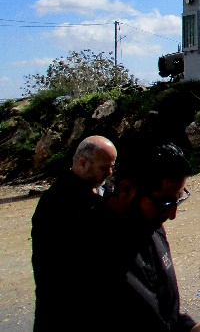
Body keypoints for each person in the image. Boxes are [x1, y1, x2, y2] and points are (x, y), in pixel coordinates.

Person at [90, 142, 200, 332]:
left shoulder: (151, 226)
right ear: (126, 190)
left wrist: (190, 328)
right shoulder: (89, 247)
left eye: (178, 201)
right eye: (165, 203)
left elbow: (163, 314)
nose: (172, 215)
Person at [31, 135, 117, 331]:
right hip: (65, 313)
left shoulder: (104, 190)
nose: (110, 173)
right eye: (104, 167)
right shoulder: (56, 204)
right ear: (83, 163)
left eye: (112, 166)